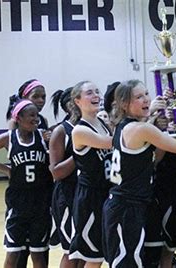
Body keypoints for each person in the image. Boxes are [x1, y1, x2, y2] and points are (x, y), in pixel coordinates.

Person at [102, 79, 176, 268]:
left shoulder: (125, 126)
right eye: (139, 97)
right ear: (124, 104)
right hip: (126, 206)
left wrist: (152, 118)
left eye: (146, 94)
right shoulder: (140, 128)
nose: (146, 99)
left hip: (127, 204)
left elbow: (153, 160)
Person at [0, 100, 53, 268]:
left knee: (38, 255)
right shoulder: (8, 138)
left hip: (40, 202)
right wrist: (5, 169)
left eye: (37, 115)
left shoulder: (43, 136)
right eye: (31, 115)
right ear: (18, 118)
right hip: (17, 203)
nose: (36, 119)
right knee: (13, 253)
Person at [6, 79, 51, 267]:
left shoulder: (42, 124)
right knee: (18, 251)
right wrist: (7, 170)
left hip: (41, 195)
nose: (41, 101)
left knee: (40, 250)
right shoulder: (14, 127)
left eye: (43, 97)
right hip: (20, 196)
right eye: (36, 97)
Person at [68, 81, 113, 267]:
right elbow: (113, 142)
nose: (95, 95)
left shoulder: (102, 122)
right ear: (77, 101)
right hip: (90, 198)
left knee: (103, 254)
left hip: (107, 192)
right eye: (89, 93)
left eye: (97, 91)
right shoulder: (79, 130)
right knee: (94, 259)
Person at [48, 87, 82, 268]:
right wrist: (80, 152)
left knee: (88, 251)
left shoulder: (95, 126)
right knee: (71, 251)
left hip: (89, 194)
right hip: (68, 195)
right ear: (71, 104)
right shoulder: (61, 131)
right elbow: (56, 172)